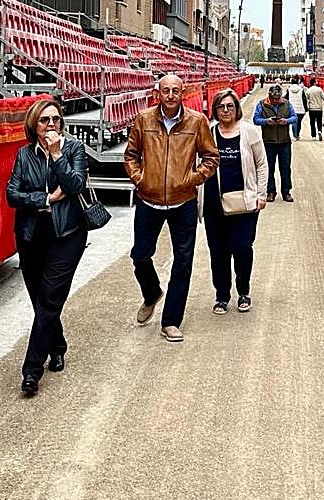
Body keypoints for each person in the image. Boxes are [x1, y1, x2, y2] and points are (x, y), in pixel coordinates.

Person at [124, 73, 219, 342]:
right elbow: (130, 155)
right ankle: (152, 292)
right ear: (158, 93)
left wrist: (193, 178)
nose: (170, 95)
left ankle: (171, 321)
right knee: (140, 256)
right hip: (148, 199)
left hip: (183, 202)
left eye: (175, 90)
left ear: (183, 92)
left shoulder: (197, 121)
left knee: (183, 262)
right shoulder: (143, 120)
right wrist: (140, 178)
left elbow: (211, 157)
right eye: (165, 90)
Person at [5, 97, 89, 397]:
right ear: (34, 126)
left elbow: (76, 185)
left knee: (50, 299)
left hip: (67, 235)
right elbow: (12, 194)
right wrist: (44, 199)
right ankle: (57, 344)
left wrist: (57, 156)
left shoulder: (74, 149)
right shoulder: (23, 155)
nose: (51, 124)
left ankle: (31, 371)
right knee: (41, 299)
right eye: (45, 120)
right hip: (31, 235)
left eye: (55, 119)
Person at [201, 88, 268, 315]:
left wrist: (261, 194)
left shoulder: (249, 132)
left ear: (237, 108)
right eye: (221, 106)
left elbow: (261, 164)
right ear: (215, 110)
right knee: (218, 252)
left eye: (230, 106)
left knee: (241, 247)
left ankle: (243, 291)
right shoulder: (209, 133)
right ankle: (222, 295)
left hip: (244, 202)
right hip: (214, 203)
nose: (226, 110)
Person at [253, 84, 296, 202]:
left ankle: (286, 192)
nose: (276, 101)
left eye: (278, 99)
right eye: (274, 99)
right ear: (269, 96)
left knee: (285, 168)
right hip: (268, 142)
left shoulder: (287, 104)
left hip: (284, 142)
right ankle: (270, 191)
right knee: (269, 168)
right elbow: (256, 120)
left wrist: (286, 121)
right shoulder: (261, 104)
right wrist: (266, 121)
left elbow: (294, 117)